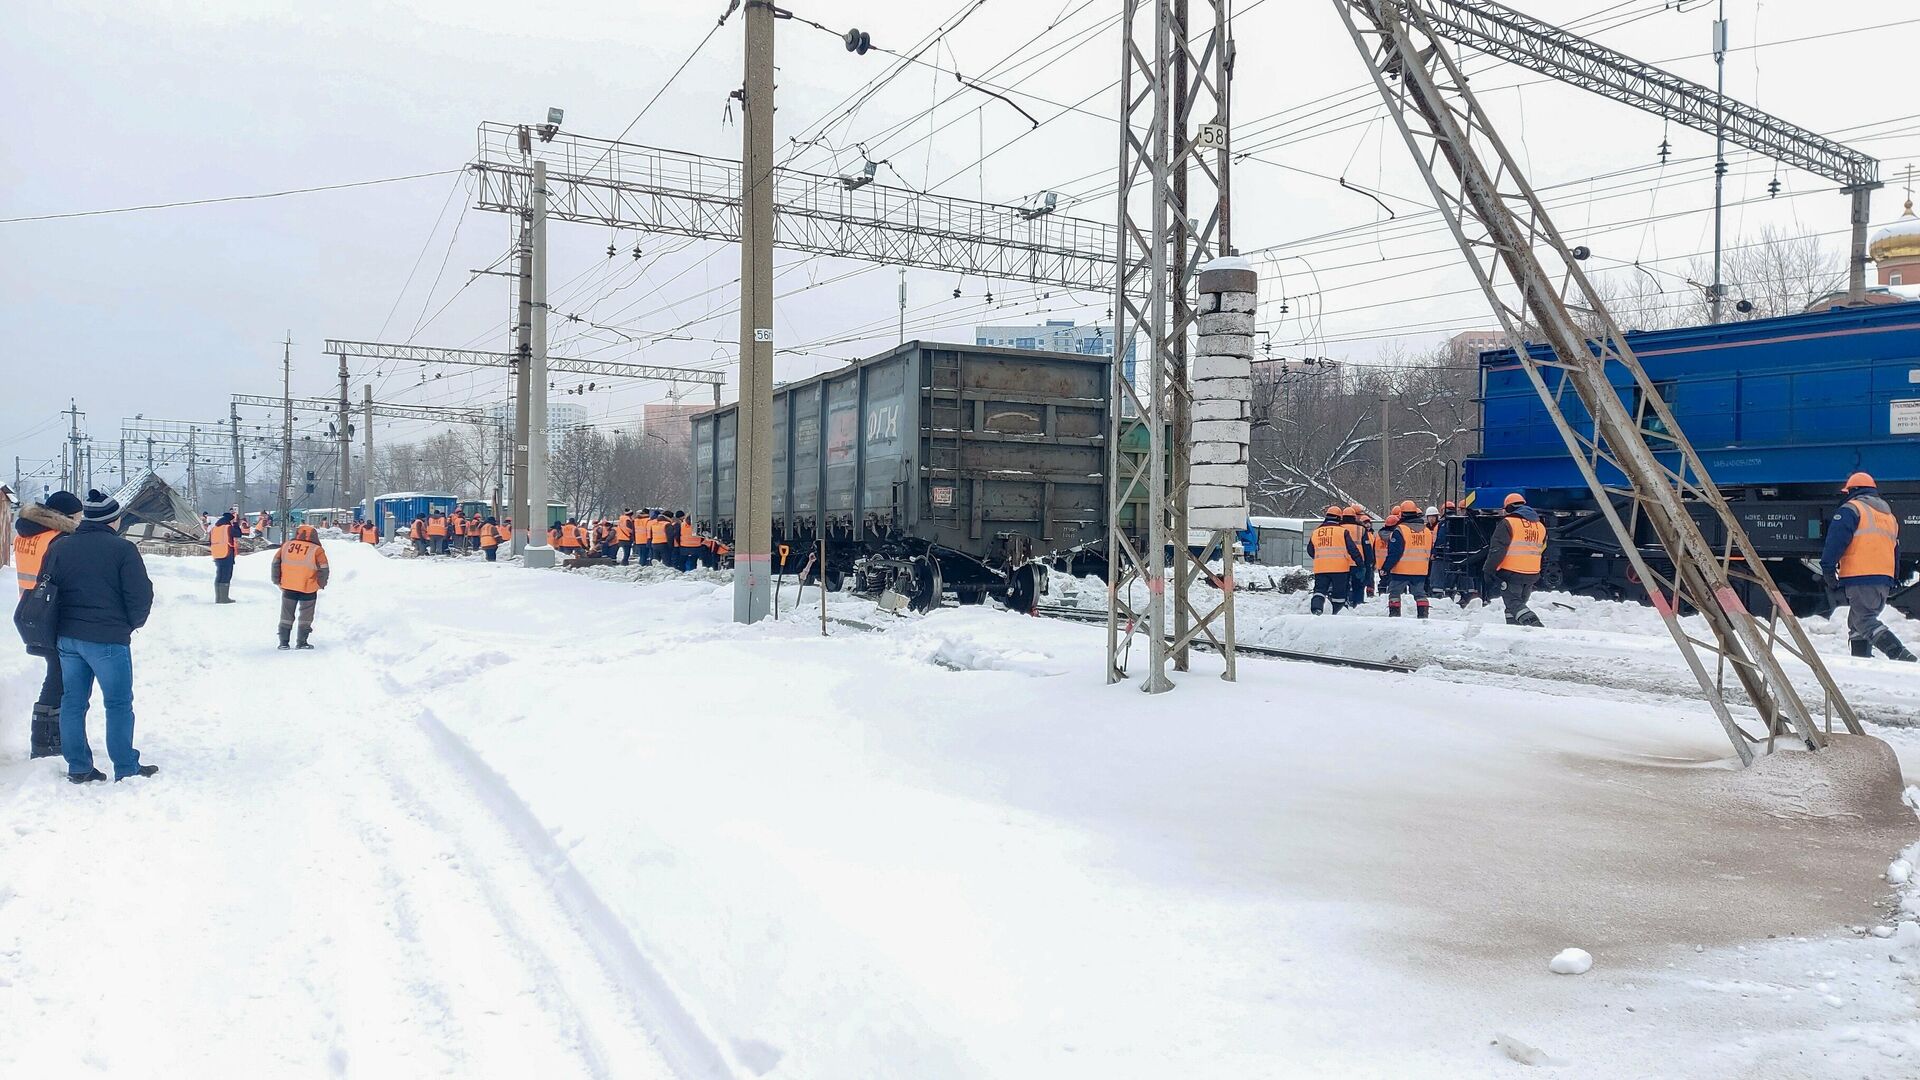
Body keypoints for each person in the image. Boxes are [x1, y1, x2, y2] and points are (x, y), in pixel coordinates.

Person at [40, 490, 156, 783]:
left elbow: (48, 591)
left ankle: (78, 767)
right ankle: (126, 766)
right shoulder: (123, 550)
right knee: (117, 703)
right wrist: (129, 625)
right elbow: (140, 595)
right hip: (107, 639)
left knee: (73, 702)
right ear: (112, 520)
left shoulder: (60, 546)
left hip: (68, 638)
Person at [14, 490, 83, 759]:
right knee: (59, 678)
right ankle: (45, 740)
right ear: (65, 516)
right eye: (77, 515)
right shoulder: (58, 539)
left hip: (32, 610)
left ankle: (47, 738)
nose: (80, 519)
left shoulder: (27, 534)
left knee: (56, 675)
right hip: (53, 614)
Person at [1822, 471, 1915, 661]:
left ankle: (1901, 656)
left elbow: (1835, 542)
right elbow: (1895, 549)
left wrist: (1828, 569)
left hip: (1861, 576)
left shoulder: (1852, 509)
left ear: (1853, 490)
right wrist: (1894, 577)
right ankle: (1860, 661)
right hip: (1882, 578)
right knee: (1856, 621)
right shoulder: (1888, 516)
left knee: (1864, 620)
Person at [1484, 493, 1546, 627]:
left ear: (1509, 508)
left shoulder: (1508, 523)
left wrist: (1488, 570)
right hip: (1532, 573)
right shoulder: (1539, 526)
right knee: (1515, 607)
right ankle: (1513, 630)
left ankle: (1534, 624)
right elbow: (1543, 547)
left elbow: (1497, 550)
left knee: (1513, 603)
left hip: (1511, 573)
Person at [271, 524, 330, 650]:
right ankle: (302, 642)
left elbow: (275, 563)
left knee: (286, 615)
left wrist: (277, 580)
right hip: (308, 587)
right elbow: (324, 569)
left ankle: (283, 642)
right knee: (306, 616)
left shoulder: (286, 546)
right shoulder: (317, 550)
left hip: (288, 586)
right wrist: (321, 584)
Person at [1306, 505, 1363, 615]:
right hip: (1340, 569)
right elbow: (1353, 549)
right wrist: (1360, 563)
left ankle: (1316, 609)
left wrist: (1319, 558)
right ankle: (1337, 612)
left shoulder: (1316, 532)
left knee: (1319, 590)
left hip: (1321, 568)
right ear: (1339, 518)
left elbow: (1310, 550)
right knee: (1339, 594)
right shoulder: (1342, 532)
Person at [1382, 499, 1433, 620]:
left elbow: (1394, 553)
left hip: (1401, 570)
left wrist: (1385, 567)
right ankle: (1423, 617)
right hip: (1420, 570)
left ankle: (1395, 617)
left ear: (1402, 513)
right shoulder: (1426, 531)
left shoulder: (1400, 530)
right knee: (1420, 594)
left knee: (1394, 594)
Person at [209, 509, 241, 604]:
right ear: (229, 520)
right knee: (226, 575)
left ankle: (218, 598)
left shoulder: (214, 529)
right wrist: (236, 524)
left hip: (217, 554)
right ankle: (224, 598)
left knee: (219, 574)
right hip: (226, 553)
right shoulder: (228, 527)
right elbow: (238, 534)